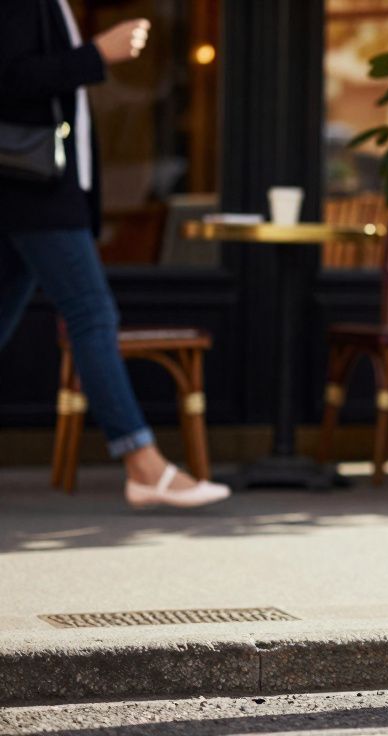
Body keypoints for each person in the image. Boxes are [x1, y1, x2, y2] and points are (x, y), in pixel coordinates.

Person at [0, 0, 230, 509]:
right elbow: (10, 77)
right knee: (91, 313)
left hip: (34, 190)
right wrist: (98, 54)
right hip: (32, 192)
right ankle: (142, 463)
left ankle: (143, 465)